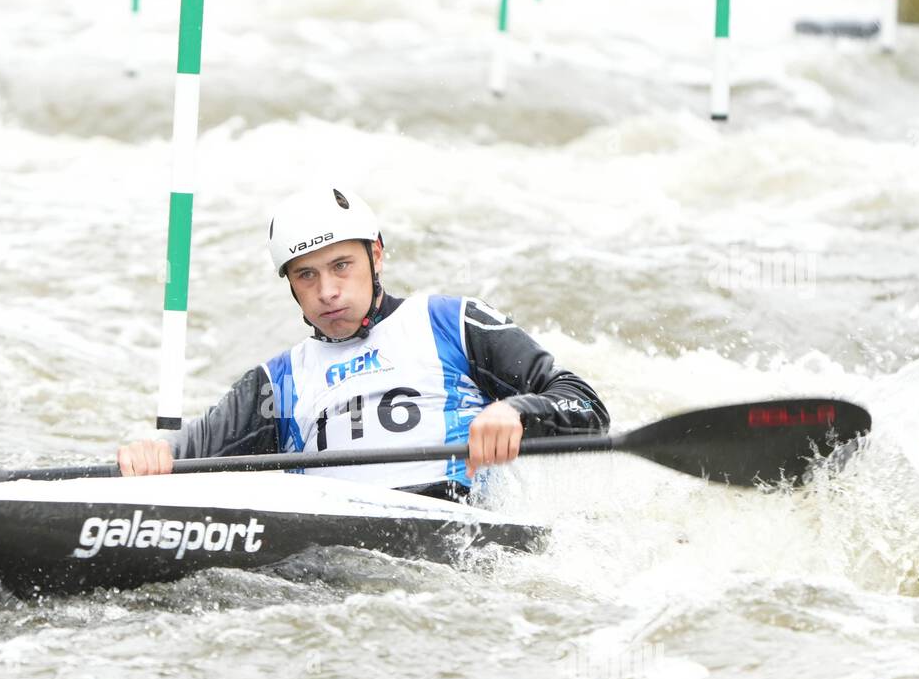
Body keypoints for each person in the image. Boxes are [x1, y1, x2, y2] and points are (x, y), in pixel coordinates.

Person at [118, 186, 609, 500]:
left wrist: (518, 412)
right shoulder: (277, 382)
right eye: (306, 276)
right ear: (290, 284)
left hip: (457, 531)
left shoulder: (452, 322)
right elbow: (184, 460)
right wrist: (152, 455)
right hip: (337, 551)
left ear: (376, 255)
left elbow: (585, 406)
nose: (327, 291)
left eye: (341, 266)